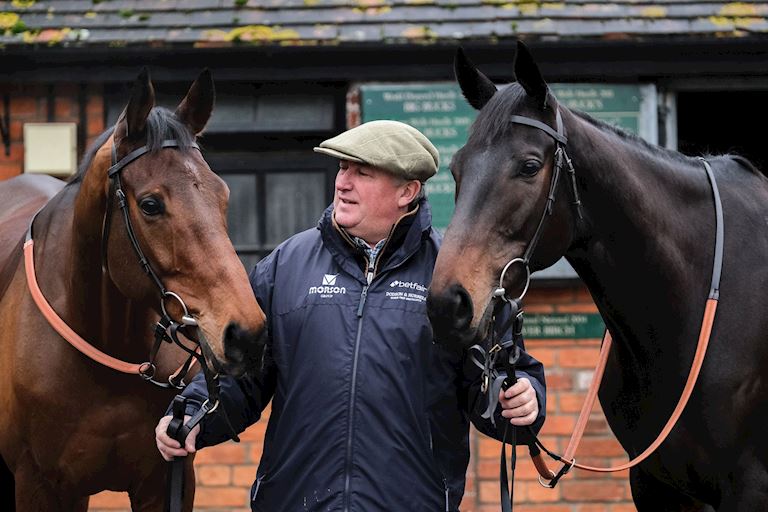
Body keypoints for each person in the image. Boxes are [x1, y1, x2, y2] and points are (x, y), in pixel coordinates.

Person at [155, 120, 546, 512]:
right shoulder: (285, 267)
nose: (342, 182)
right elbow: (241, 380)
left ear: (407, 191)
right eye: (342, 168)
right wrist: (193, 413)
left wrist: (523, 400)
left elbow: (498, 382)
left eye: (362, 172)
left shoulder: (453, 279)